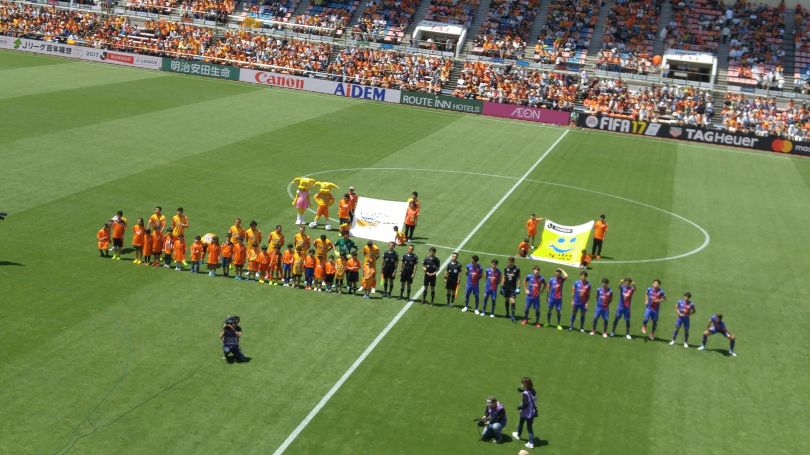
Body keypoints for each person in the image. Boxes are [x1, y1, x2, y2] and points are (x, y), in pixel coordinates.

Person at [512, 377, 538, 449]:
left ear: (526, 385)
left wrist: (519, 407)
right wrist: (522, 391)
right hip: (532, 413)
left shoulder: (525, 394)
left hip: (525, 413)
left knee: (521, 423)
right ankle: (531, 443)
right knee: (530, 428)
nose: (521, 385)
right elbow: (529, 394)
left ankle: (518, 435)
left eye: (522, 384)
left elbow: (525, 404)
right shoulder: (533, 390)